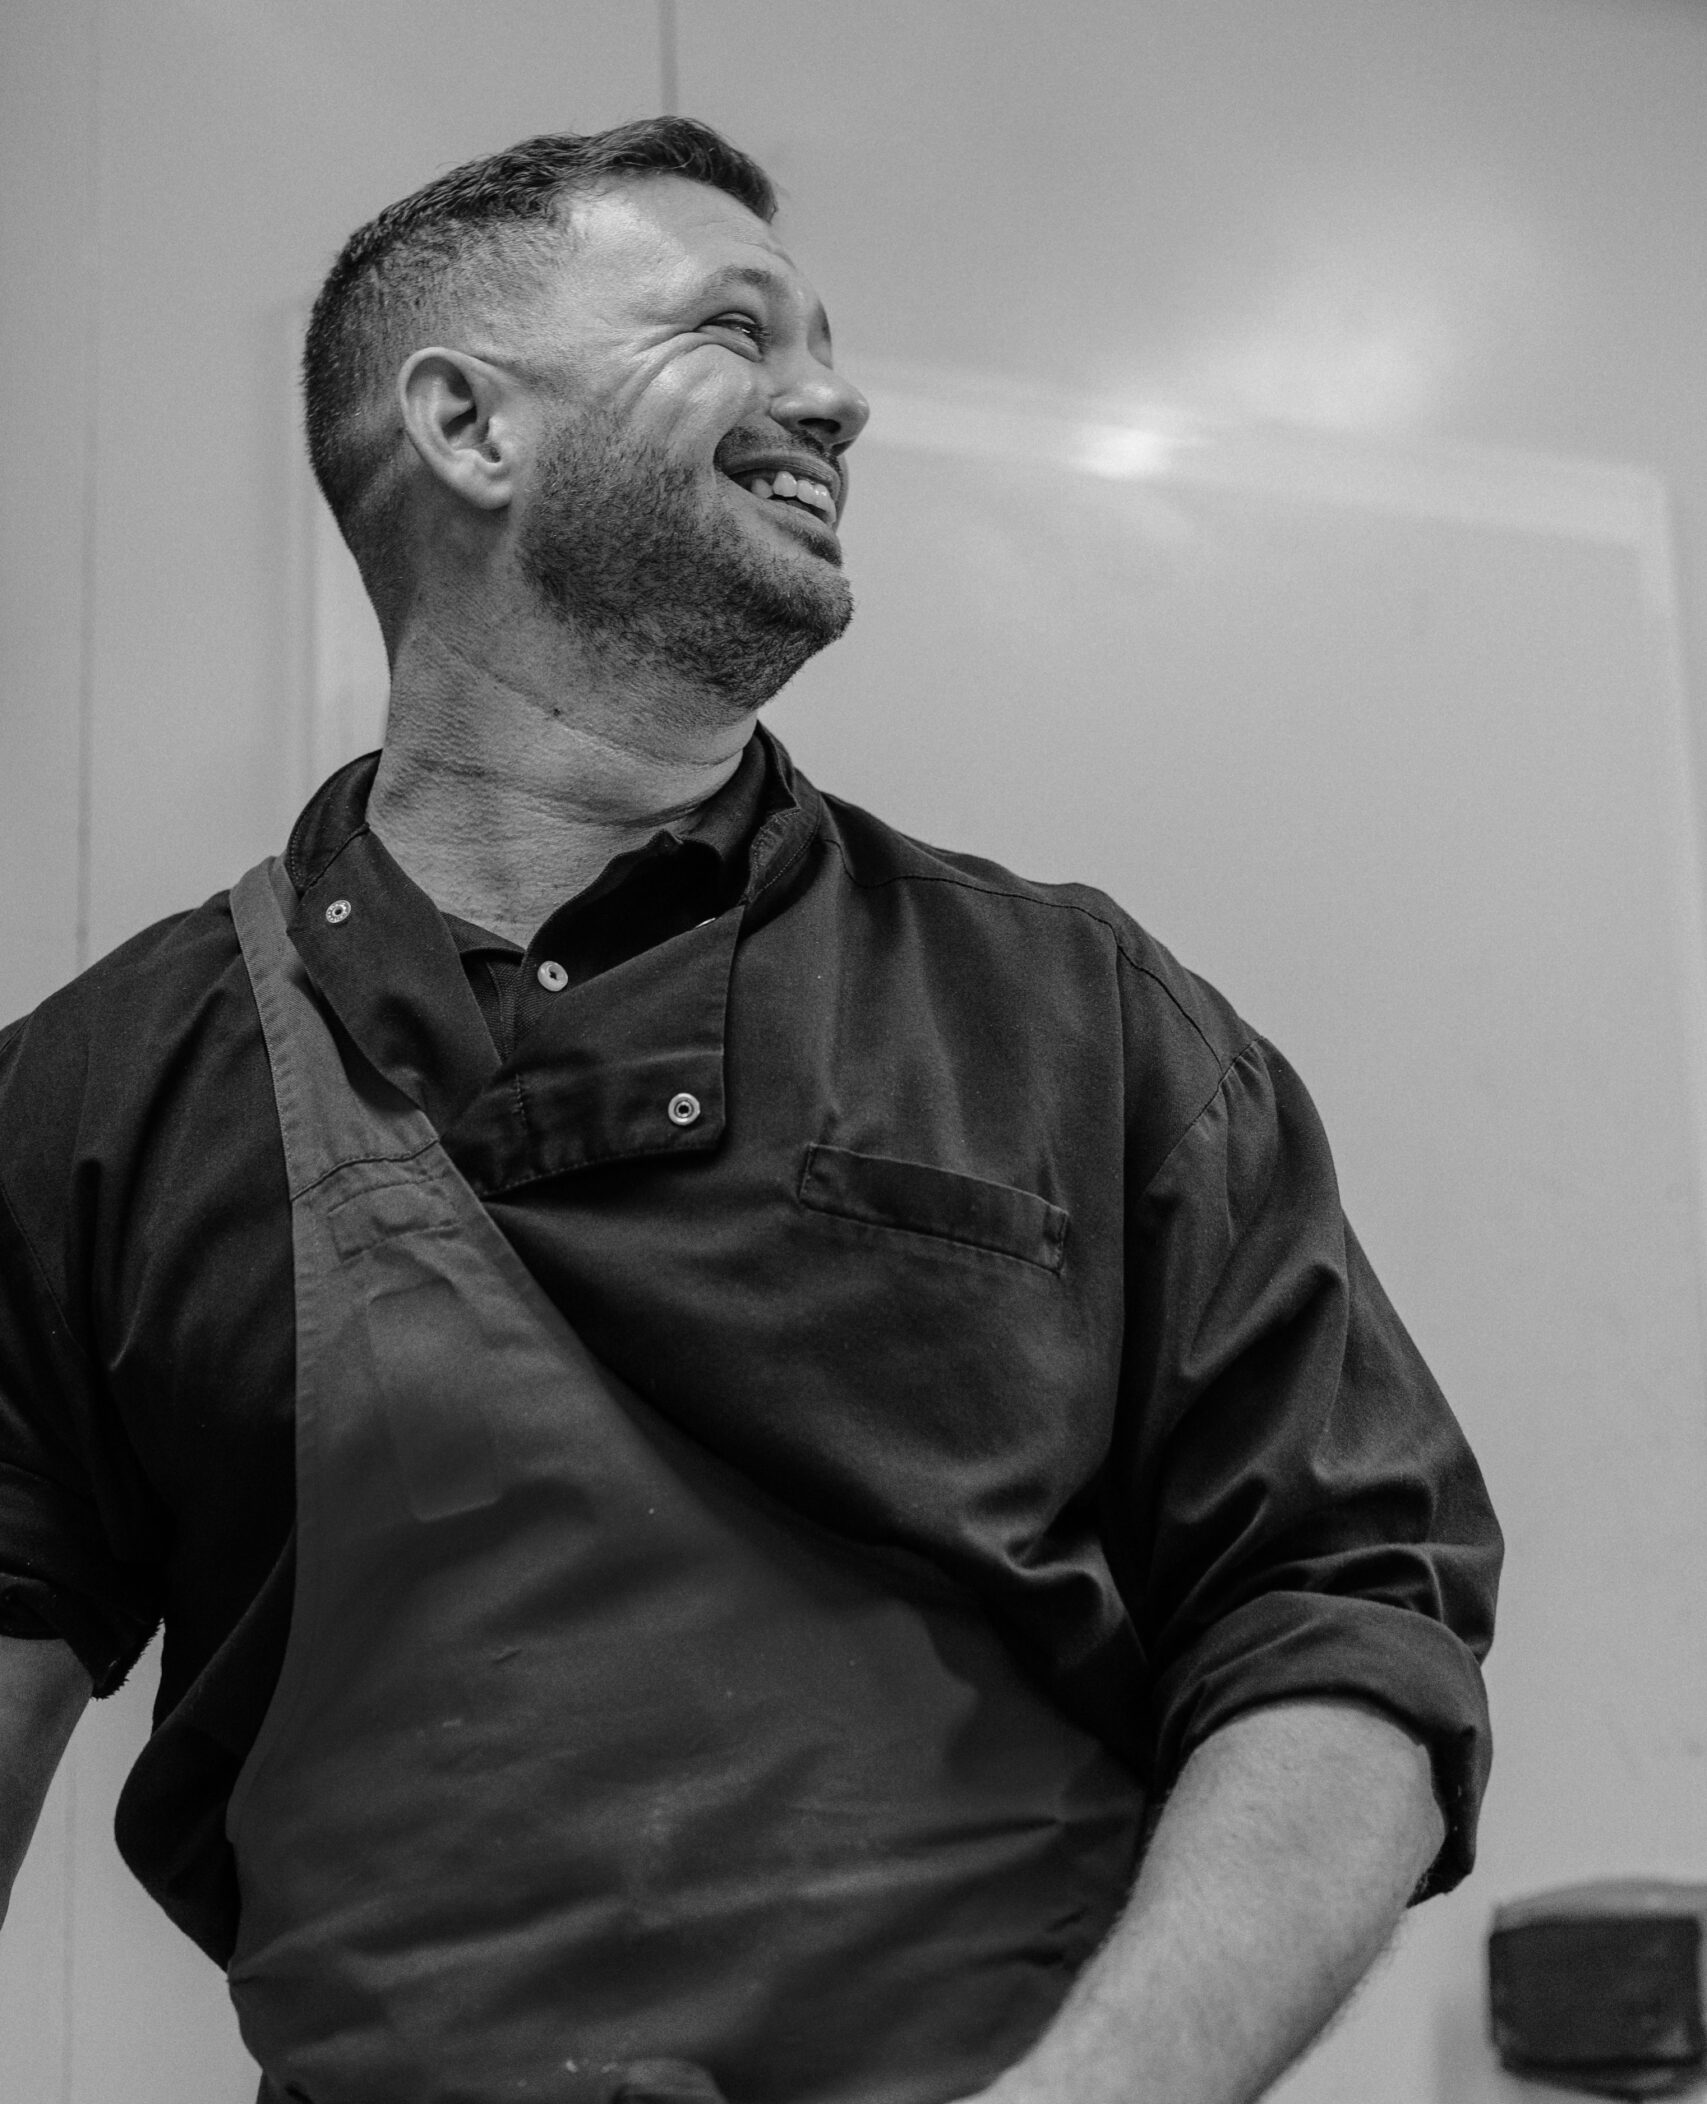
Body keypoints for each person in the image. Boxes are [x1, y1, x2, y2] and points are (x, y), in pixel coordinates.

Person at [0, 117, 1500, 2104]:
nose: (836, 399)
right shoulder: (105, 1092)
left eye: (826, 345)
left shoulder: (1080, 1018)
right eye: (734, 327)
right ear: (465, 424)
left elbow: (1346, 1614)